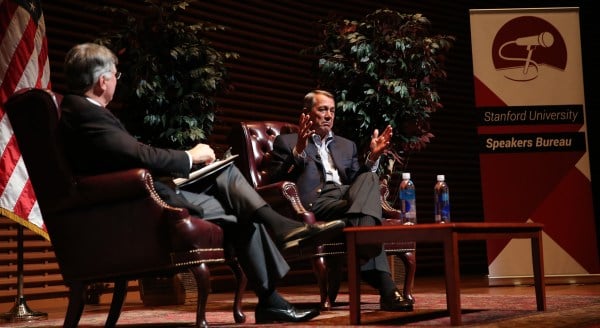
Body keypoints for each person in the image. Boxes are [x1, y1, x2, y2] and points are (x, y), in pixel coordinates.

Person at [58, 43, 345, 323]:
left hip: (139, 196)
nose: (116, 83)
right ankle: (276, 264)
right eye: (116, 77)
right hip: (140, 203)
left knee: (226, 174)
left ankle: (275, 266)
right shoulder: (85, 113)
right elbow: (138, 154)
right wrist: (190, 156)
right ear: (102, 80)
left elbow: (128, 155)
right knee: (241, 204)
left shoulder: (80, 111)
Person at [268, 89, 413, 311]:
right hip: (316, 203)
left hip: (347, 198)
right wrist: (298, 150)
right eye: (322, 109)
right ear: (306, 113)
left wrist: (372, 157)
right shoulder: (286, 141)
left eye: (332, 111)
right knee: (365, 211)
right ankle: (384, 283)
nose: (329, 115)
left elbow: (359, 182)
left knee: (370, 176)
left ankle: (365, 248)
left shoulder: (347, 145)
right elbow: (275, 180)